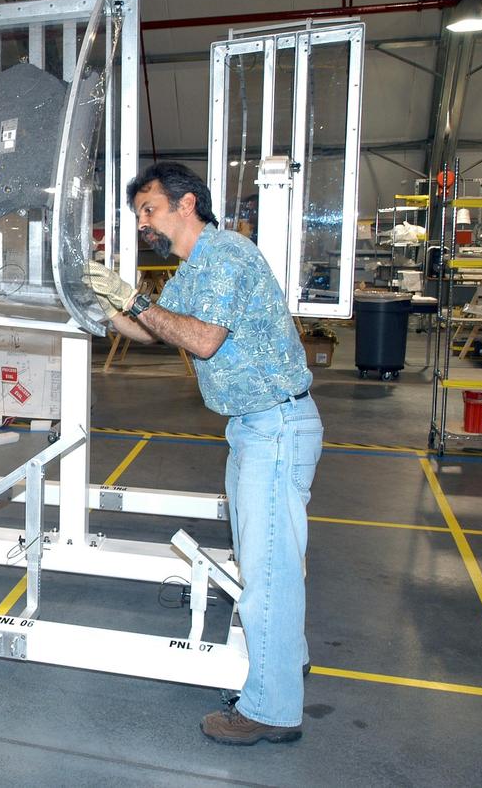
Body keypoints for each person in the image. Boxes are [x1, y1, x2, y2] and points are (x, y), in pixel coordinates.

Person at [85, 161, 323, 746]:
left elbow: (202, 339)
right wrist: (103, 304)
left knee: (266, 574)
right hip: (256, 427)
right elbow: (154, 331)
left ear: (186, 204)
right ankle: (285, 665)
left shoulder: (226, 257)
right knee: (270, 566)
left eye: (149, 210)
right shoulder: (195, 267)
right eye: (139, 213)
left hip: (274, 426)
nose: (143, 223)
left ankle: (271, 710)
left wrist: (131, 297)